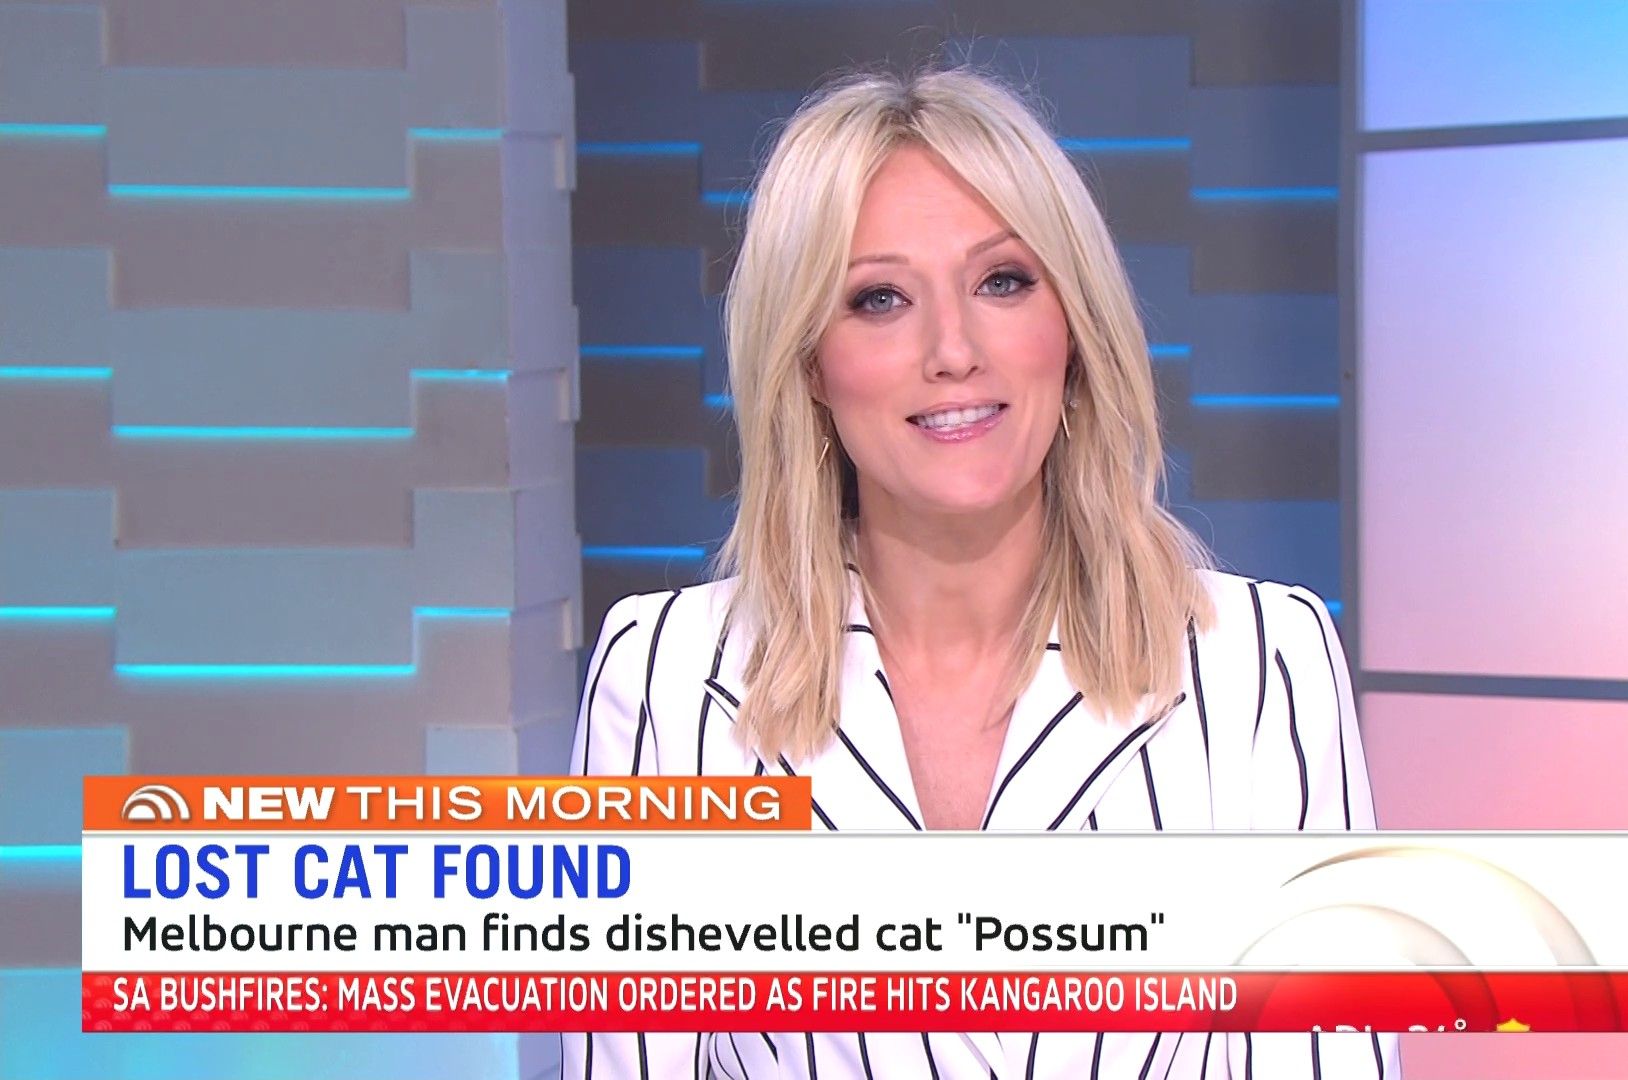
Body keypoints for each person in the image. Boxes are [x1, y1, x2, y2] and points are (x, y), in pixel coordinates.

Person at [568, 66, 1399, 1079]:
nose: (953, 350)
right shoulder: (665, 673)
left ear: (1073, 327)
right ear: (810, 364)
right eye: (879, 299)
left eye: (1002, 281)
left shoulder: (1263, 663)